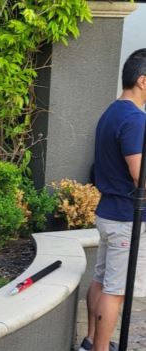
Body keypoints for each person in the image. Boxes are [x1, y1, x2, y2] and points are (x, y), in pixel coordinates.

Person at [79, 48, 146, 351]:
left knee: (102, 279)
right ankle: (101, 348)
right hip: (125, 217)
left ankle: (92, 340)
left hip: (109, 211)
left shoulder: (112, 111)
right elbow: (139, 176)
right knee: (116, 291)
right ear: (143, 81)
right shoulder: (134, 119)